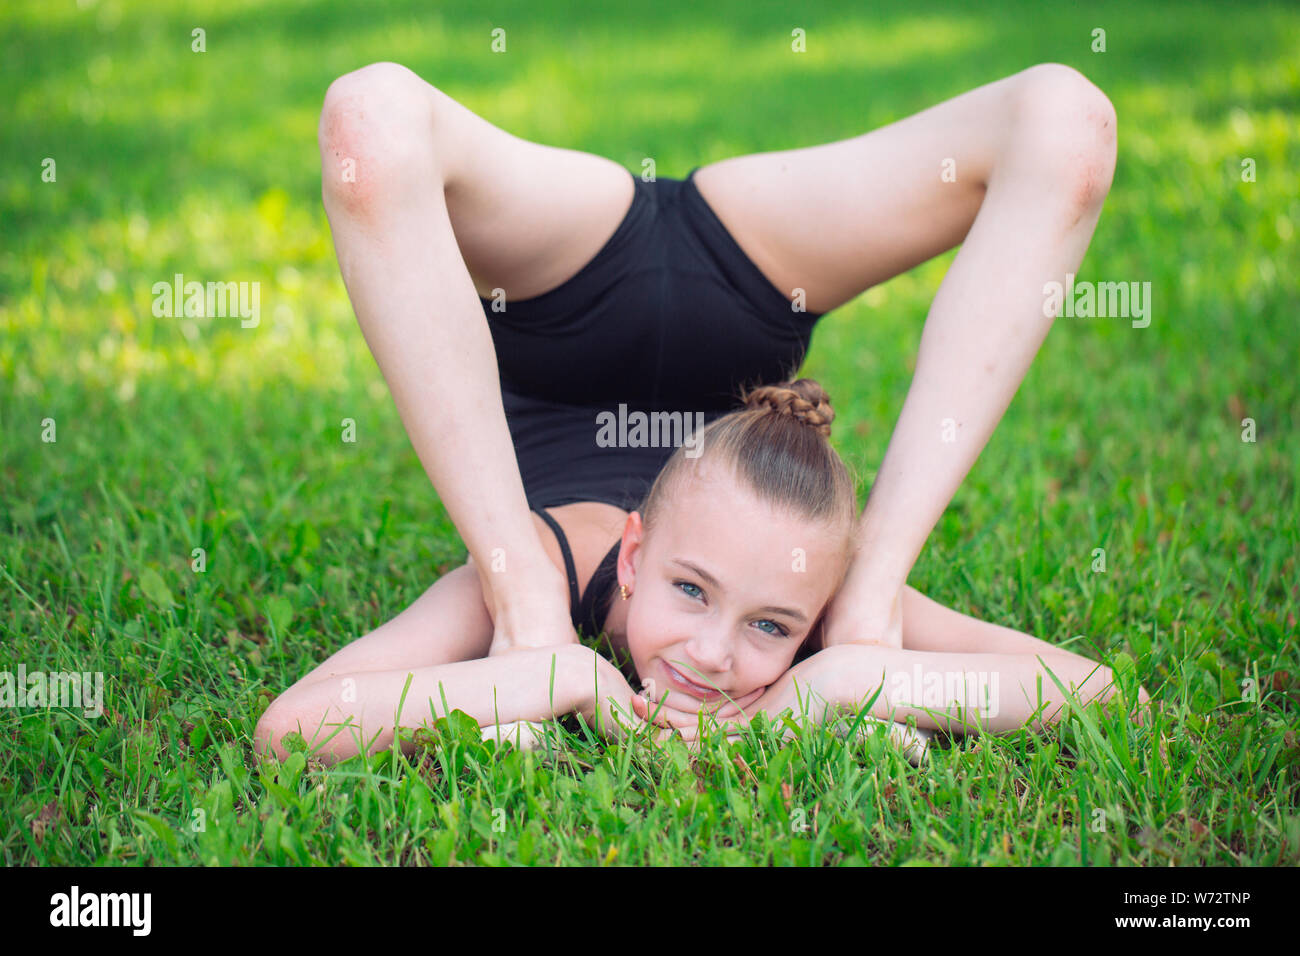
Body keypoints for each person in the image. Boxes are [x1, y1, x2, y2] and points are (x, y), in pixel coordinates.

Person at [253, 59, 1152, 766]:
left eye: (772, 629)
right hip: (577, 285)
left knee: (1071, 123)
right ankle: (518, 606)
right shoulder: (547, 560)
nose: (718, 655)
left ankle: (882, 582)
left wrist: (846, 668)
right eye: (690, 590)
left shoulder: (806, 595)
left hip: (733, 278)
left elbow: (1108, 700)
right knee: (368, 119)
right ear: (636, 556)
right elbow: (287, 732)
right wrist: (551, 660)